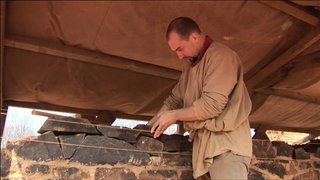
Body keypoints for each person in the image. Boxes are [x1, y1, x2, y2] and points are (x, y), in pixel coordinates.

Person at [148, 17, 252, 179]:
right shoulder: (190, 68)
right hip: (203, 150)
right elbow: (174, 100)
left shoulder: (221, 56)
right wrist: (152, 126)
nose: (179, 56)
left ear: (194, 37)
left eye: (180, 49)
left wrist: (174, 115)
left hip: (226, 148)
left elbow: (211, 105)